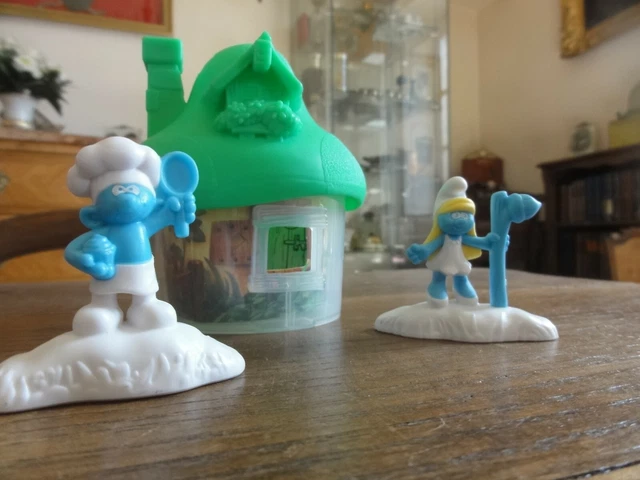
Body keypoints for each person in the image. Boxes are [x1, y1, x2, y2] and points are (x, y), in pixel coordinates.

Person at [65, 137, 196, 335]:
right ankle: (103, 309)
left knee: (149, 300)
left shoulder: (143, 226)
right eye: (118, 190)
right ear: (92, 215)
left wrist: (178, 213)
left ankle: (145, 306)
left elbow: (167, 217)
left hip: (141, 273)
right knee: (100, 309)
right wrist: (86, 261)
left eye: (134, 189)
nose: (128, 196)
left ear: (153, 203)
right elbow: (71, 251)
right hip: (106, 273)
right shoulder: (101, 234)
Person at [406, 176, 498, 307]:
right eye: (455, 215)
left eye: (465, 215)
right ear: (439, 217)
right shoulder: (442, 237)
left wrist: (489, 242)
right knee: (439, 275)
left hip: (459, 260)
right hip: (442, 258)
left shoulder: (464, 237)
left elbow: (475, 241)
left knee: (461, 275)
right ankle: (437, 287)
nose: (460, 220)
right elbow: (432, 245)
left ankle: (462, 287)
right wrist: (423, 250)